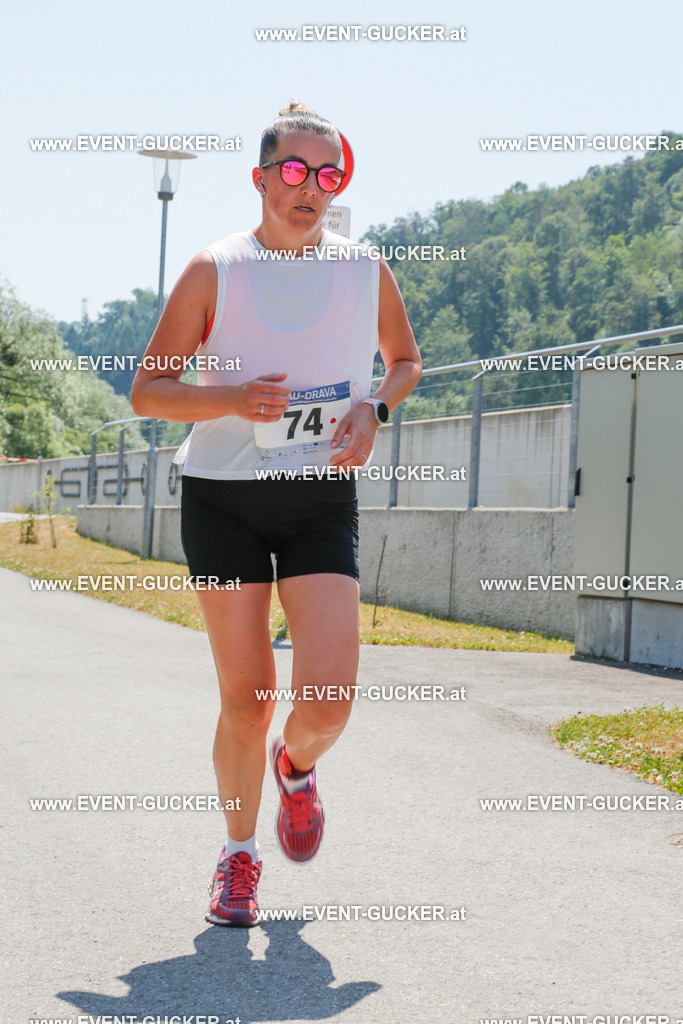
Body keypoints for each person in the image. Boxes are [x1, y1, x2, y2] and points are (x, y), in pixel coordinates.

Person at [131, 101, 422, 927]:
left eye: (327, 174)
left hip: (318, 496)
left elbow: (404, 362)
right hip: (222, 499)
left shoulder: (363, 269)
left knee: (325, 697)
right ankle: (237, 857)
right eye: (293, 170)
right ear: (260, 178)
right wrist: (230, 398)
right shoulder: (213, 270)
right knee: (250, 696)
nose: (310, 188)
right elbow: (149, 390)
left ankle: (296, 769)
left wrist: (375, 409)